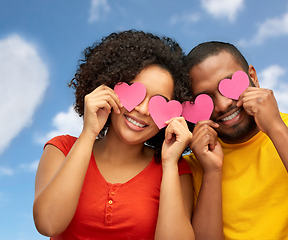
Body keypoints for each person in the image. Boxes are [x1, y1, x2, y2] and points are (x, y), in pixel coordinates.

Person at [33, 30, 216, 239]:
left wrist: (169, 164)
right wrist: (88, 133)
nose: (144, 110)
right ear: (109, 87)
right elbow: (48, 224)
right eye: (137, 94)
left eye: (160, 103)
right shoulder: (61, 149)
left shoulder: (175, 169)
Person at [183, 41, 288, 239]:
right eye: (206, 98)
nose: (223, 105)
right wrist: (212, 172)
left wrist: (275, 127)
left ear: (253, 77)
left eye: (228, 85)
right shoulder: (191, 169)